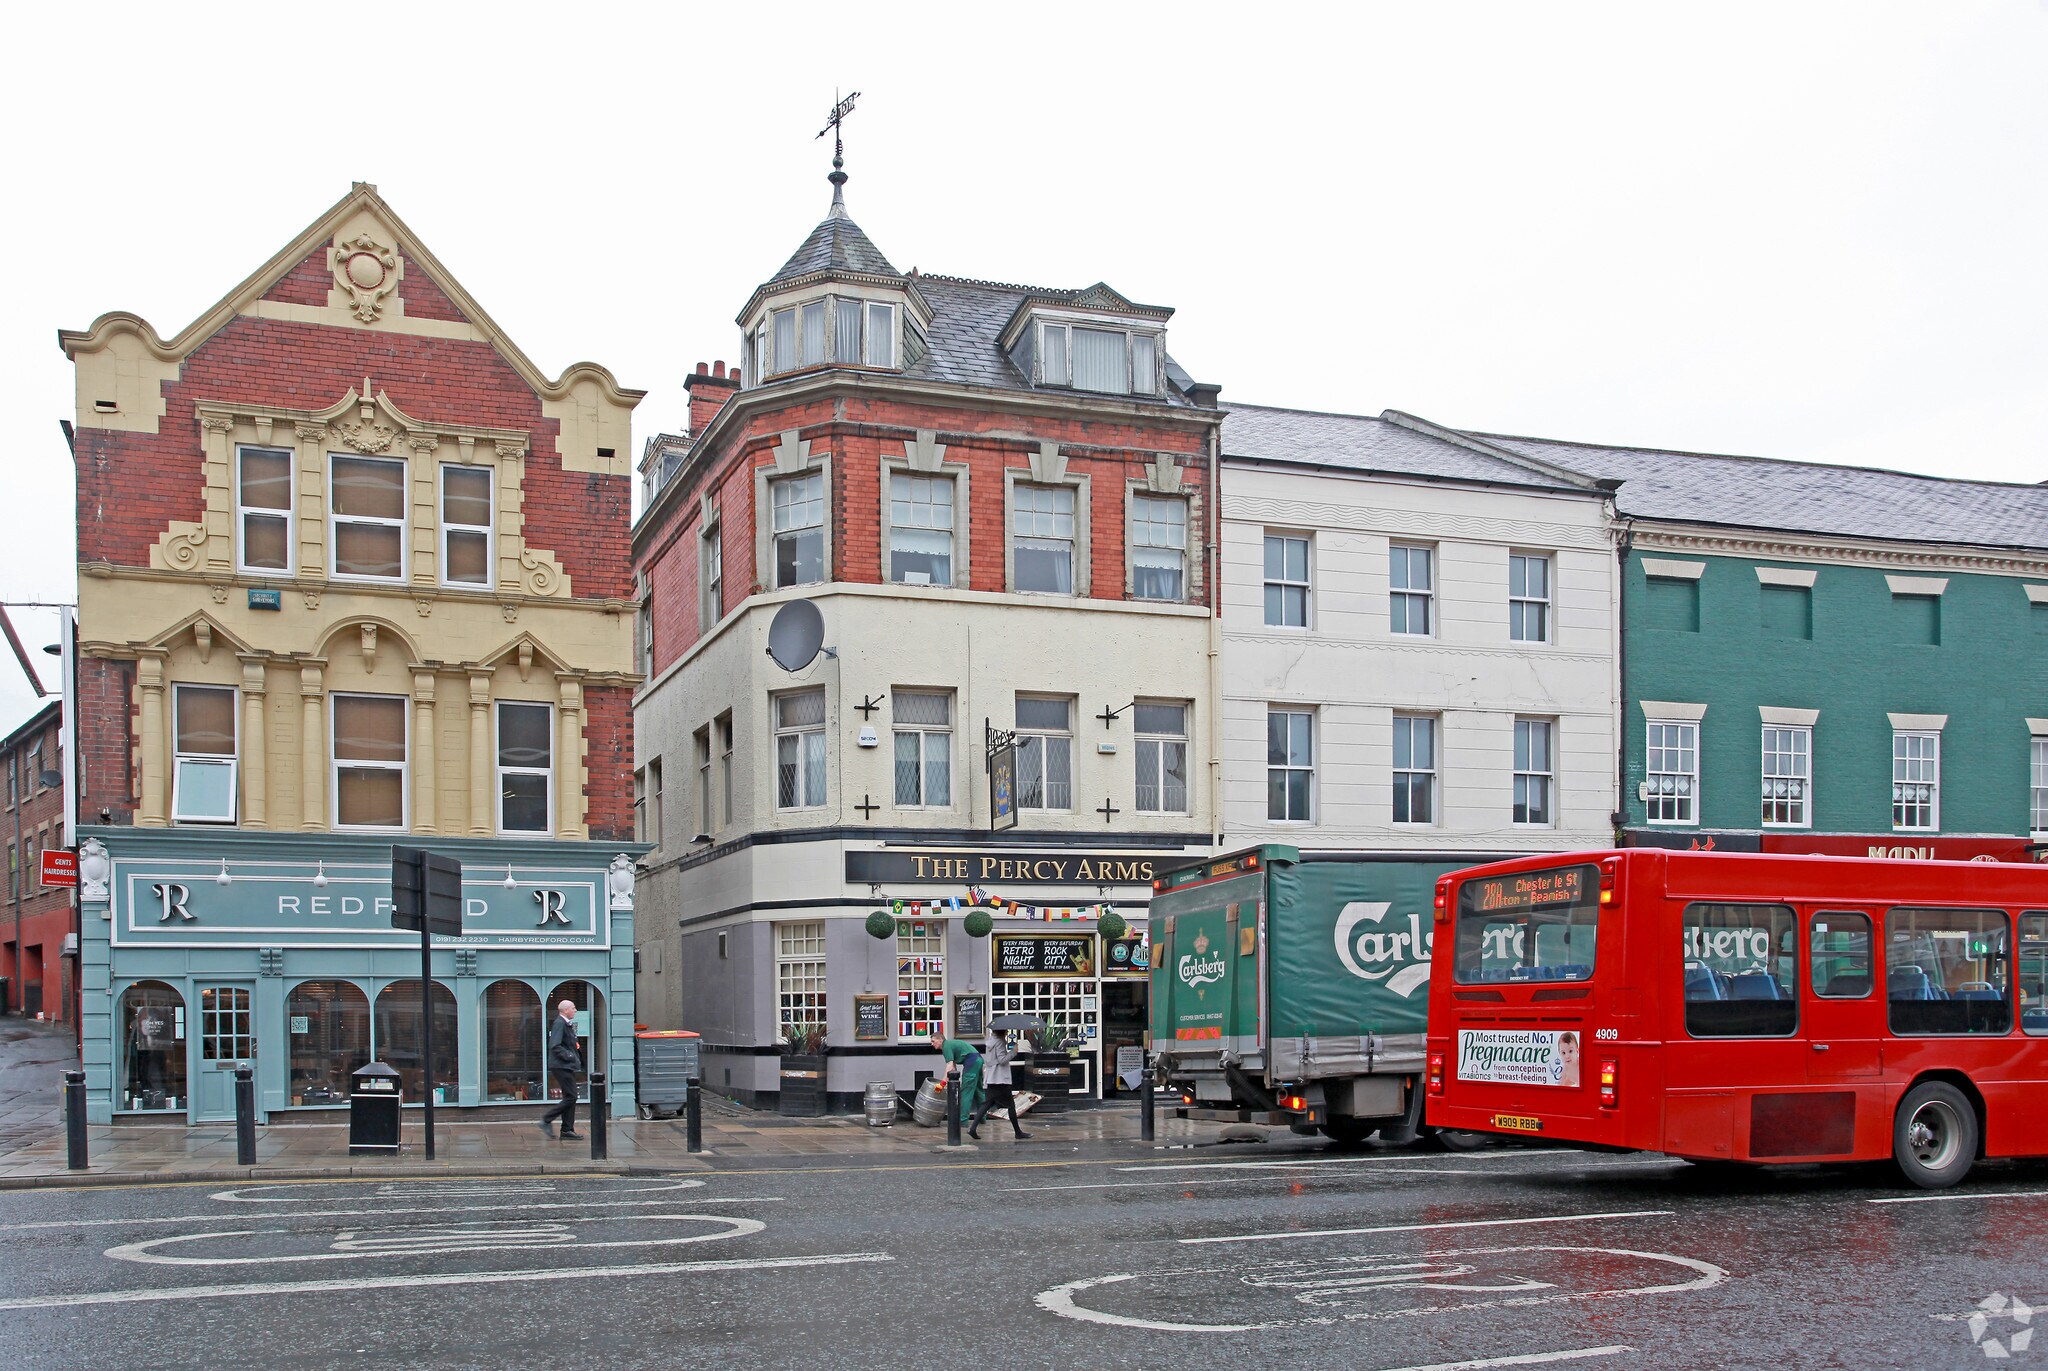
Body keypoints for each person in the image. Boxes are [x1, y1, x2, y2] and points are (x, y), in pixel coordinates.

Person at [971, 1029, 1030, 1141]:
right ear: (1002, 1032)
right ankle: (1018, 1132)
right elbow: (1002, 1060)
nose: (1007, 1032)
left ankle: (973, 1128)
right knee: (1011, 1105)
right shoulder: (1000, 1042)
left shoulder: (990, 1041)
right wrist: (1013, 1052)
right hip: (1000, 1078)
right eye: (1006, 1031)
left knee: (987, 1104)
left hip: (991, 1078)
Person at [538, 999, 584, 1139]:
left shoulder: (566, 1024)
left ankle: (567, 1130)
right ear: (565, 1010)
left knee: (570, 1097)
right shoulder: (560, 1023)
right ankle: (547, 1120)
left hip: (565, 1066)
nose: (575, 1010)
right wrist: (570, 1056)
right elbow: (555, 1045)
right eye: (573, 1008)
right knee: (571, 1097)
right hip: (561, 1066)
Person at [928, 1029, 984, 1139]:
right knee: (978, 1091)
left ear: (940, 1040)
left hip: (971, 1061)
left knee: (966, 1092)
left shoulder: (946, 1046)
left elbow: (949, 1066)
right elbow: (953, 1068)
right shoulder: (950, 1045)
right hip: (978, 1059)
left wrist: (942, 1084)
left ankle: (963, 1121)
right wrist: (947, 1081)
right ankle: (983, 1118)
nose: (932, 1044)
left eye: (933, 1041)